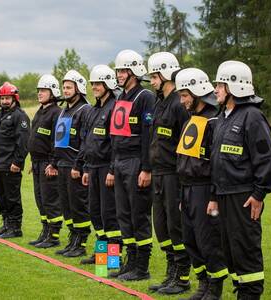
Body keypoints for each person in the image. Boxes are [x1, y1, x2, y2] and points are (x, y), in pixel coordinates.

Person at [211, 61, 271, 300]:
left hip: (244, 197)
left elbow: (267, 159)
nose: (215, 89)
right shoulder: (223, 117)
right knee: (230, 251)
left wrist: (259, 194)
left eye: (220, 84)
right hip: (224, 195)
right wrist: (214, 195)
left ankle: (250, 295)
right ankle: (242, 292)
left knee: (245, 250)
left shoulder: (253, 117)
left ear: (234, 87)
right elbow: (217, 161)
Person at [175, 68, 228, 299]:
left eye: (185, 95)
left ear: (196, 93)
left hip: (204, 189)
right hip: (187, 188)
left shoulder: (214, 120)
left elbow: (217, 162)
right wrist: (181, 194)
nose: (182, 100)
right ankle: (203, 284)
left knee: (208, 242)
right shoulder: (191, 119)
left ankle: (215, 289)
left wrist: (214, 196)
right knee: (190, 240)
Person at [146, 52, 191, 295]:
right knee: (161, 228)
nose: (152, 81)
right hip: (158, 173)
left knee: (176, 227)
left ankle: (182, 277)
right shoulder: (159, 101)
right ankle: (171, 272)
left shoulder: (178, 104)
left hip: (174, 174)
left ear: (167, 74)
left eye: (154, 76)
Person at [108, 49, 155, 281]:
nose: (119, 74)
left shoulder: (145, 97)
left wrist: (146, 168)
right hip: (119, 162)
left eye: (123, 70)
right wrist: (112, 166)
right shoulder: (120, 97)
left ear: (135, 72)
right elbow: (114, 135)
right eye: (118, 70)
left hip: (136, 162)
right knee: (123, 214)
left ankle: (142, 266)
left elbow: (148, 135)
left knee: (139, 215)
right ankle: (130, 260)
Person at [80, 65, 122, 265]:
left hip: (107, 168)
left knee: (109, 214)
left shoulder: (115, 107)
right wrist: (86, 168)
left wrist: (113, 170)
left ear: (109, 84)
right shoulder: (93, 109)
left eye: (98, 83)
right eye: (93, 83)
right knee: (95, 212)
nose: (95, 87)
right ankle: (101, 255)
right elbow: (87, 140)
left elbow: (116, 143)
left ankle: (113, 259)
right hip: (93, 167)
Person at [54, 70, 91, 257]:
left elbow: (85, 142)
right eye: (64, 87)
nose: (65, 90)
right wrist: (54, 162)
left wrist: (79, 165)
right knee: (66, 206)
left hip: (74, 166)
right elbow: (58, 139)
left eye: (69, 87)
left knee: (78, 206)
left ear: (79, 88)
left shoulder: (84, 110)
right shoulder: (64, 110)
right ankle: (73, 238)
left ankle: (81, 242)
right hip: (61, 164)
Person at [0, 82, 30, 238]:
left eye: (8, 98)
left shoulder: (20, 116)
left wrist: (17, 162)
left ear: (15, 98)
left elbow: (23, 142)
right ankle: (6, 224)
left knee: (12, 197)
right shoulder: (0, 114)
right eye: (2, 98)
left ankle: (15, 227)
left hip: (10, 165)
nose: (5, 101)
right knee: (1, 197)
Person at [27, 74, 63, 248]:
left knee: (50, 200)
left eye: (43, 90)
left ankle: (54, 235)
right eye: (39, 90)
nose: (40, 93)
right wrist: (33, 161)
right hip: (36, 163)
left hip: (48, 164)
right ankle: (45, 230)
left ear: (53, 92)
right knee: (40, 199)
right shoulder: (41, 111)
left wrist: (53, 163)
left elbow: (56, 141)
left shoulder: (56, 113)